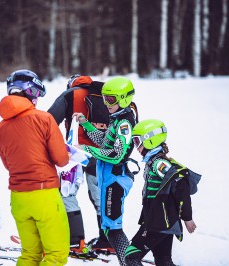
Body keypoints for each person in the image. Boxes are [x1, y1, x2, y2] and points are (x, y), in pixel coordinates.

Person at [0, 69, 70, 265]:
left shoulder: (0, 129)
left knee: (30, 254)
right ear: (29, 93)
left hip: (18, 198)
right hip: (44, 195)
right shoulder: (43, 119)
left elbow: (7, 164)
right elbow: (61, 159)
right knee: (56, 255)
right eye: (36, 93)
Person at [73, 76, 137, 265]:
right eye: (104, 98)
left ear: (124, 99)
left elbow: (118, 155)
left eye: (110, 100)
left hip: (115, 178)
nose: (106, 104)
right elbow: (104, 141)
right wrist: (86, 124)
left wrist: (88, 150)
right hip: (107, 177)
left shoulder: (124, 123)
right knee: (109, 226)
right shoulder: (116, 118)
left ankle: (131, 262)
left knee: (113, 227)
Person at [47, 74, 113, 253]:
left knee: (67, 194)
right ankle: (108, 240)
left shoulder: (70, 94)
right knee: (100, 197)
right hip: (101, 154)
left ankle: (76, 242)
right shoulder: (104, 94)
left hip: (75, 154)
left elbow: (48, 121)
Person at [124, 119, 197, 266]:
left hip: (158, 222)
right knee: (163, 261)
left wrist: (187, 217)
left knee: (131, 256)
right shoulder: (153, 161)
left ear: (150, 141)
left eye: (138, 141)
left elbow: (181, 187)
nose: (136, 147)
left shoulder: (159, 163)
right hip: (162, 221)